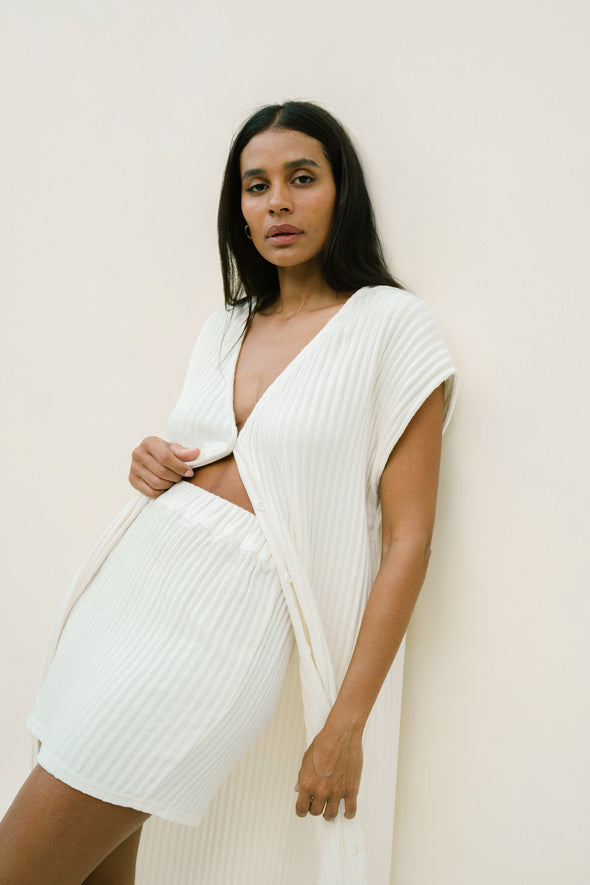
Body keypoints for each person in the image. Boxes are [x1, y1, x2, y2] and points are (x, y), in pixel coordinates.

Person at [0, 101, 457, 884]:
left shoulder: (393, 325)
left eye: (301, 178)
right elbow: (218, 454)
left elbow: (408, 539)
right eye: (256, 185)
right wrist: (152, 458)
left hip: (218, 635)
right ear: (238, 208)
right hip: (125, 603)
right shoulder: (225, 323)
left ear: (342, 192)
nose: (277, 202)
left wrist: (346, 722)